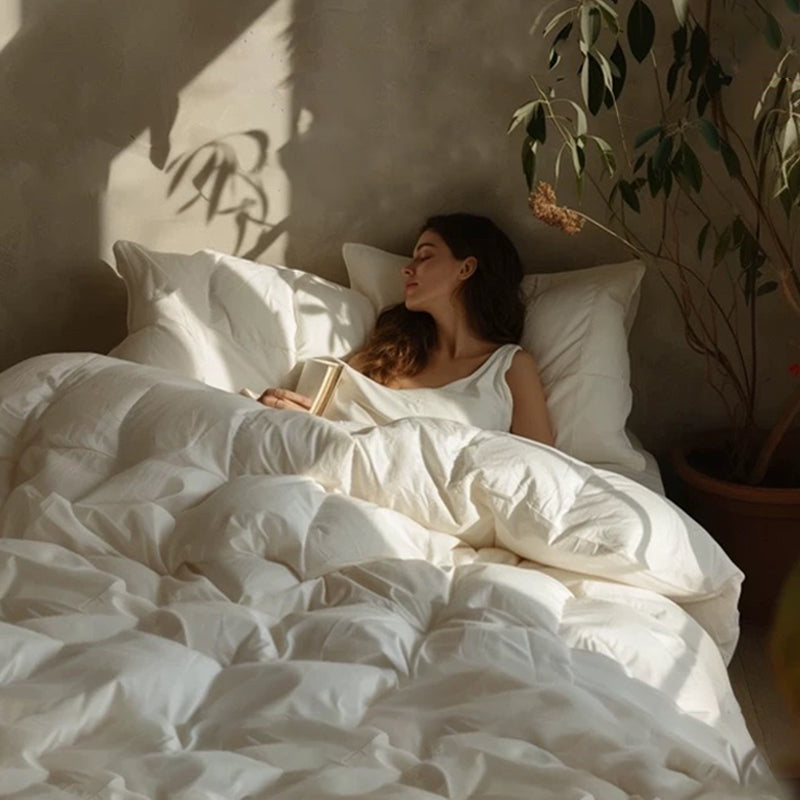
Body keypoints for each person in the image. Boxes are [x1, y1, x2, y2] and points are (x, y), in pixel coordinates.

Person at [258, 213, 555, 447]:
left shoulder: (509, 367)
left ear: (465, 269)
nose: (407, 268)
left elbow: (542, 469)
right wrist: (283, 415)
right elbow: (326, 423)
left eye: (424, 256)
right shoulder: (387, 354)